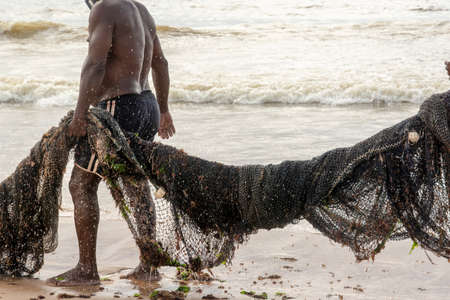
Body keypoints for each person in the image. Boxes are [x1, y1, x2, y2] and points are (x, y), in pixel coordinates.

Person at [47, 0, 175, 286]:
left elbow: (95, 65)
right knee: (136, 182)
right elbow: (161, 63)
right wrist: (164, 110)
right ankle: (149, 266)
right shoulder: (141, 10)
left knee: (81, 183)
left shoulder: (104, 9)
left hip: (119, 107)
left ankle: (87, 270)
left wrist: (80, 114)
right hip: (147, 105)